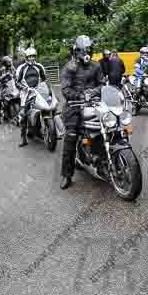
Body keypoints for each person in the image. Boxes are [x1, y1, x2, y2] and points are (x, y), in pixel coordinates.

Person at [59, 36, 102, 190]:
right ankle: (66, 174)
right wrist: (80, 96)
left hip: (94, 103)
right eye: (84, 50)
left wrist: (93, 92)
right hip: (74, 105)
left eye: (89, 50)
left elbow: (102, 84)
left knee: (109, 125)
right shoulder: (69, 67)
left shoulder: (96, 66)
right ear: (76, 51)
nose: (86, 53)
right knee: (70, 137)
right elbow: (65, 89)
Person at [14, 47, 47, 147]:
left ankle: (38, 131)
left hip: (38, 92)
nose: (32, 58)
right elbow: (17, 82)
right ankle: (23, 139)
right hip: (26, 94)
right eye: (30, 56)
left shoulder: (39, 66)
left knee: (44, 108)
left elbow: (45, 79)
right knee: (23, 115)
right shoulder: (21, 68)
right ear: (26, 57)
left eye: (33, 56)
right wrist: (24, 88)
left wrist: (46, 88)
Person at [0, 56, 16, 126]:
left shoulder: (12, 68)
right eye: (9, 62)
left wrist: (14, 76)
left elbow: (16, 75)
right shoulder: (0, 70)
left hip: (11, 87)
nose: (10, 63)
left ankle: (13, 116)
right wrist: (5, 75)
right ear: (5, 63)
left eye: (10, 62)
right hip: (3, 88)